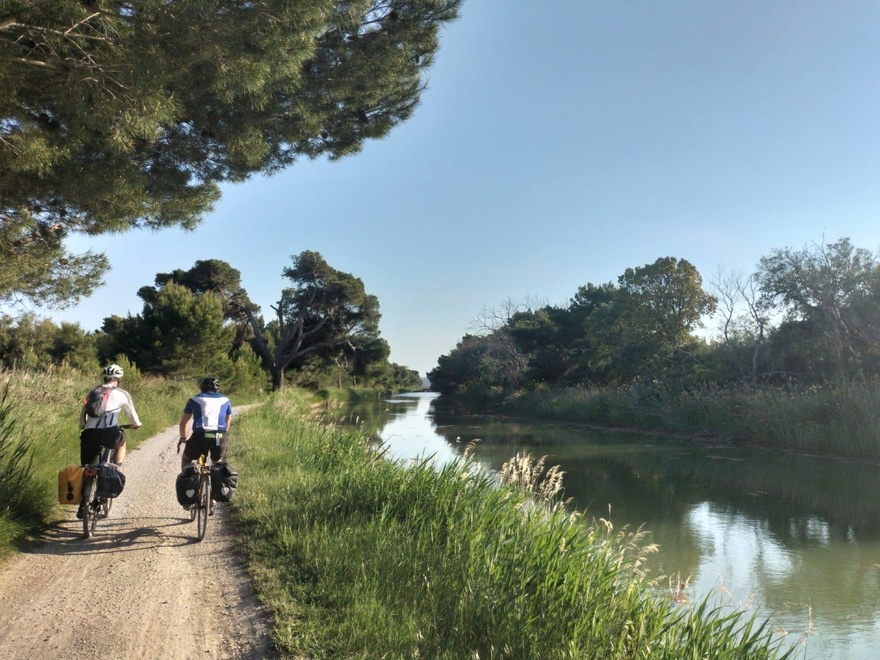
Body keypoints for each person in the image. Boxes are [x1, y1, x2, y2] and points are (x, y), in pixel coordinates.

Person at [78, 363, 142, 518]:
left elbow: (83, 413)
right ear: (119, 379)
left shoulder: (93, 391)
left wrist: (83, 426)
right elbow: (132, 414)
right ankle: (115, 467)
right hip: (110, 433)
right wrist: (136, 424)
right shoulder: (122, 393)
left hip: (89, 433)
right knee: (121, 441)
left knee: (87, 467)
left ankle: (82, 505)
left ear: (104, 377)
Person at [177, 377, 232, 472]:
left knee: (187, 459)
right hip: (219, 436)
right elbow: (227, 422)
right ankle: (217, 478)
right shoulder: (226, 400)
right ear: (217, 389)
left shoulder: (193, 400)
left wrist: (183, 438)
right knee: (217, 461)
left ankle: (186, 479)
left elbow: (183, 423)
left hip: (200, 436)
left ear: (201, 388)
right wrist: (223, 434)